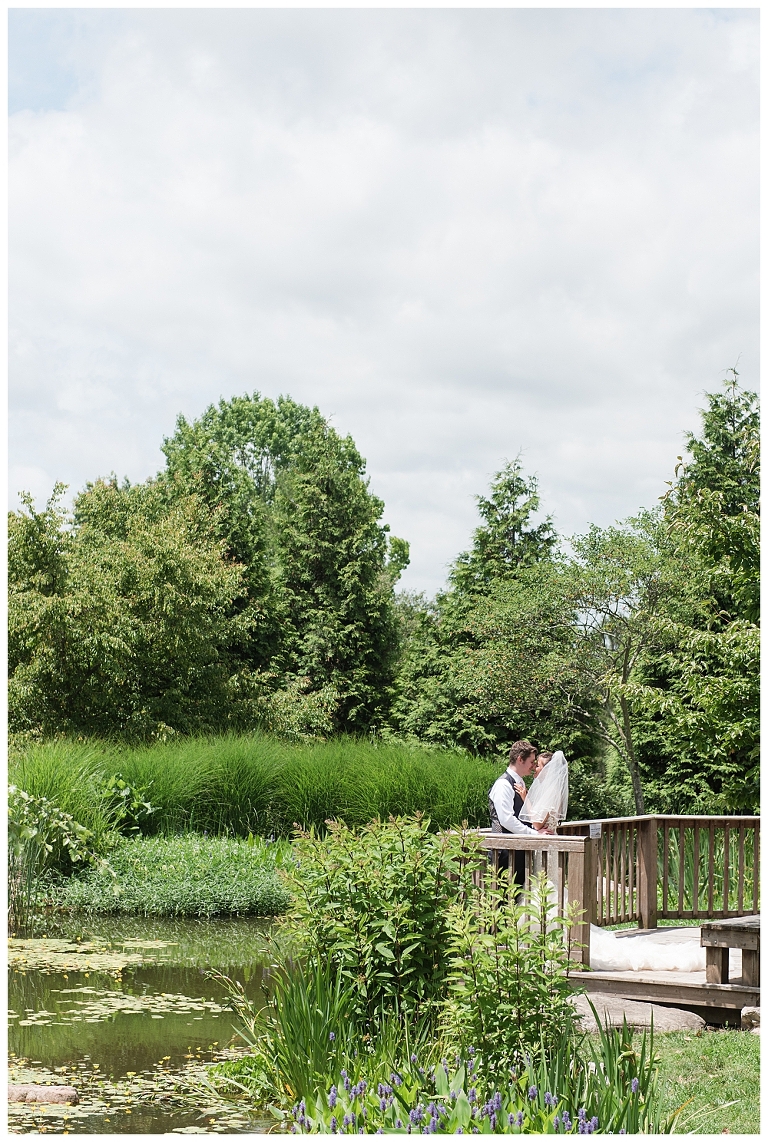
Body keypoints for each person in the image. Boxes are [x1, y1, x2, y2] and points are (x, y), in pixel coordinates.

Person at [488, 740, 552, 893]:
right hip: (504, 853)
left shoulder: (519, 783)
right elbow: (506, 820)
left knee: (518, 897)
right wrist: (535, 834)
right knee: (503, 898)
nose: (533, 765)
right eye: (531, 761)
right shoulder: (503, 785)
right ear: (520, 759)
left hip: (517, 851)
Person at [519, 749, 569, 832]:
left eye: (537, 766)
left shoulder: (552, 792)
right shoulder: (547, 790)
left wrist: (525, 799)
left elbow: (537, 824)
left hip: (546, 838)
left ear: (547, 770)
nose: (533, 768)